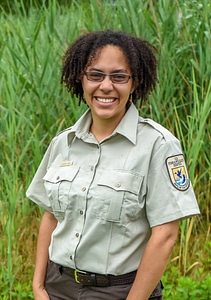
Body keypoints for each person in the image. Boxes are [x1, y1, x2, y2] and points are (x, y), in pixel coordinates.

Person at [26, 30, 200, 300]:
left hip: (121, 292)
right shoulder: (63, 143)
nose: (106, 86)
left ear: (134, 83)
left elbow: (165, 234)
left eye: (119, 76)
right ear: (80, 80)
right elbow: (50, 216)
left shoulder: (158, 145)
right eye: (95, 75)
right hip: (57, 287)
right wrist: (38, 287)